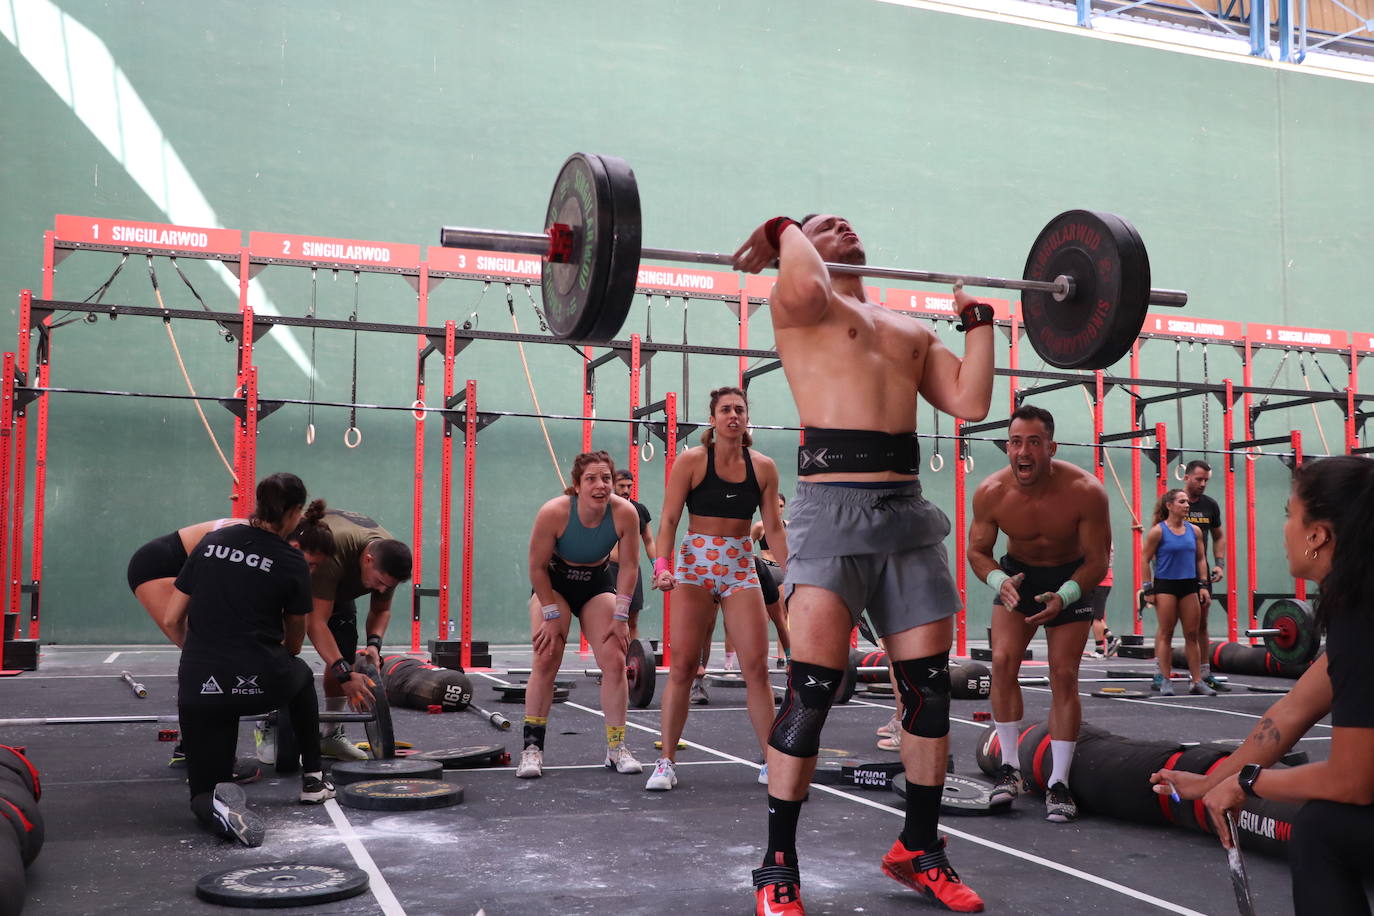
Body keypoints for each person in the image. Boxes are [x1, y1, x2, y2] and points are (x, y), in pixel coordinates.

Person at [733, 214, 992, 914]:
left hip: (905, 514)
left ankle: (919, 848)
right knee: (813, 691)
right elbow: (808, 279)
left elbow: (970, 399)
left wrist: (979, 321)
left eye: (845, 220)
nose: (842, 225)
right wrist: (786, 227)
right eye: (826, 224)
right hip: (830, 511)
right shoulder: (801, 305)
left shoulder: (907, 329)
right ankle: (777, 867)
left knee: (929, 690)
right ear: (802, 249)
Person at [1150, 455, 1374, 916]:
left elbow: (1354, 781)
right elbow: (1290, 713)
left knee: (1323, 829)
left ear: (1318, 536)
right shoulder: (1361, 602)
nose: (1286, 527)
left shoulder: (1362, 621)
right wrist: (1213, 780)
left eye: (1290, 514)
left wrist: (1249, 783)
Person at [161, 473, 355, 846]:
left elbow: (171, 619)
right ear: (296, 511)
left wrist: (205, 656)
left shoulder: (210, 543)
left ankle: (216, 807)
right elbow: (296, 641)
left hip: (201, 684)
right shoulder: (291, 561)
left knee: (203, 790)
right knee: (299, 674)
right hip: (259, 681)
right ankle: (313, 779)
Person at [967, 405, 1111, 823]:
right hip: (1019, 577)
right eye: (1015, 442)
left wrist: (1065, 596)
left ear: (1051, 447)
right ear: (1007, 447)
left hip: (1072, 579)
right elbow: (977, 552)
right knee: (1002, 662)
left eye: (1033, 442)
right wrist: (999, 581)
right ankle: (1010, 769)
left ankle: (1059, 783)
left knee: (1063, 674)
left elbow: (1098, 562)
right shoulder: (991, 492)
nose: (1023, 451)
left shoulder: (1086, 491)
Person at [647, 386, 787, 792]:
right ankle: (666, 762)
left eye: (739, 410)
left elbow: (774, 528)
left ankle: (771, 760)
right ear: (712, 419)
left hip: (740, 565)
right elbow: (670, 519)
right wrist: (661, 567)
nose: (733, 416)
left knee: (757, 669)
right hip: (695, 565)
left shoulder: (763, 467)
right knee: (683, 667)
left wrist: (793, 574)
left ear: (747, 419)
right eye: (725, 410)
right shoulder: (691, 461)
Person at [521, 450, 645, 779]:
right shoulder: (554, 513)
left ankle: (616, 748)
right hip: (554, 583)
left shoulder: (625, 513)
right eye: (591, 479)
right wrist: (549, 612)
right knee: (547, 655)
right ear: (577, 485)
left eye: (605, 478)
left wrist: (621, 617)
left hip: (596, 581)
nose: (600, 484)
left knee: (616, 659)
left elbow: (630, 567)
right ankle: (532, 749)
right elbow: (535, 568)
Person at [293, 508, 412, 761]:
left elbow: (381, 610)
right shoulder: (334, 553)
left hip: (340, 586)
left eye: (387, 586)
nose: (381, 589)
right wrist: (345, 676)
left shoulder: (387, 561)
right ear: (368, 560)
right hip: (296, 578)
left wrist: (374, 646)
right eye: (379, 581)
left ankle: (330, 735)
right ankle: (270, 725)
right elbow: (315, 623)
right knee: (284, 650)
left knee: (344, 648)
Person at [1140, 488, 1213, 696]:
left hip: (1189, 585)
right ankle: (1165, 680)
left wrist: (1203, 585)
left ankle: (1196, 681)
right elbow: (1145, 559)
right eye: (1182, 502)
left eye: (1187, 502)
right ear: (1169, 506)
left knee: (1192, 633)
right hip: (1165, 586)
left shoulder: (1195, 531)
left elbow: (1201, 559)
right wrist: (1148, 589)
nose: (1187, 505)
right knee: (1166, 633)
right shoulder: (1158, 531)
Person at [1181, 459, 1228, 692]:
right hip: (1174, 574)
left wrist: (1219, 564)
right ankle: (1161, 674)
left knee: (1201, 624)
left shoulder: (1210, 505)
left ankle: (1205, 673)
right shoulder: (1173, 502)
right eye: (1199, 479)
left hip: (1200, 574)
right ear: (1186, 477)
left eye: (1206, 480)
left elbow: (1219, 536)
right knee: (1168, 627)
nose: (1202, 484)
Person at [609, 468, 658, 641]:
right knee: (608, 618)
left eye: (629, 486)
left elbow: (649, 541)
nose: (626, 490)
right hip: (609, 570)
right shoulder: (603, 509)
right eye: (621, 486)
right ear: (613, 485)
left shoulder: (639, 510)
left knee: (632, 621)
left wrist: (658, 568)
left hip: (631, 570)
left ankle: (632, 661)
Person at [751, 491, 792, 663]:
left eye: (781, 506)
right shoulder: (760, 526)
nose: (778, 509)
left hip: (782, 572)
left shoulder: (790, 526)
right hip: (765, 570)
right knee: (762, 616)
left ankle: (782, 657)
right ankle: (756, 654)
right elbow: (746, 546)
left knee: (782, 615)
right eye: (775, 505)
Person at [1089, 545, 1121, 658]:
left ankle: (1100, 650)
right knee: (1094, 616)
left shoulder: (1101, 540)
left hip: (1101, 581)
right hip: (1102, 580)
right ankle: (1111, 639)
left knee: (1096, 618)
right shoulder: (1104, 538)